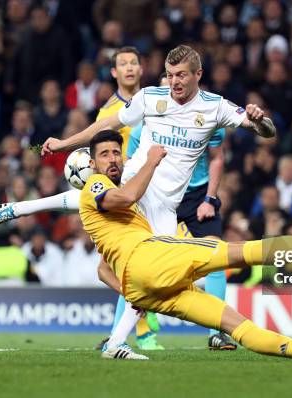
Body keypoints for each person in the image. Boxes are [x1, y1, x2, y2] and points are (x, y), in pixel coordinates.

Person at [0, 45, 277, 359]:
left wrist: (259, 120)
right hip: (135, 180)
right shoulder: (150, 98)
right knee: (94, 201)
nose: (174, 82)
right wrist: (65, 144)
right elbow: (106, 125)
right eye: (171, 75)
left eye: (182, 75)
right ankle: (16, 208)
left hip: (164, 206)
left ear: (198, 75)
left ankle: (115, 343)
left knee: (152, 283)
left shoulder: (215, 107)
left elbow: (266, 131)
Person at [81, 130, 292, 362]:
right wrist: (152, 161)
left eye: (116, 152)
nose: (113, 159)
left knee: (236, 324)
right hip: (152, 258)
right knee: (240, 251)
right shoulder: (94, 185)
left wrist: (130, 292)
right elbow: (126, 197)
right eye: (104, 154)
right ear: (92, 164)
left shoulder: (114, 218)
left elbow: (102, 268)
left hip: (146, 289)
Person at [123, 73, 234, 350]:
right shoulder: (142, 130)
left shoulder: (208, 117)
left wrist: (210, 198)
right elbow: (131, 167)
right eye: (163, 90)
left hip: (197, 194)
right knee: (135, 262)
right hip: (157, 195)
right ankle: (118, 334)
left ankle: (217, 332)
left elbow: (217, 158)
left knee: (217, 254)